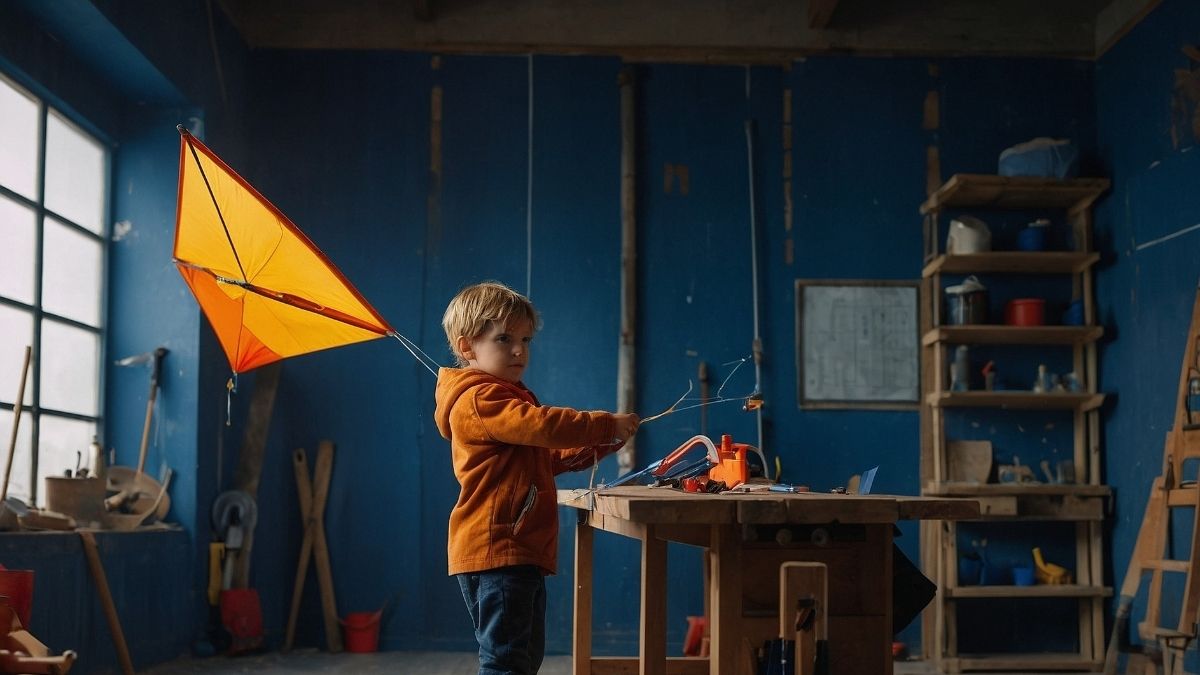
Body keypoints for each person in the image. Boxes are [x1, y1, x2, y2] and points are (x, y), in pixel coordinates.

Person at [434, 281, 639, 675]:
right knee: (506, 661)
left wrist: (603, 441)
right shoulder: (481, 399)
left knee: (522, 658)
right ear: (467, 347)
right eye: (504, 338)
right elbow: (543, 427)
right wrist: (602, 424)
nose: (519, 350)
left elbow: (543, 456)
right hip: (499, 548)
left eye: (525, 340)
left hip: (516, 548)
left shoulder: (502, 398)